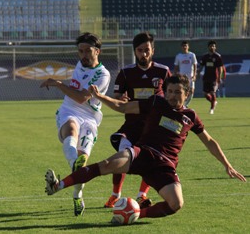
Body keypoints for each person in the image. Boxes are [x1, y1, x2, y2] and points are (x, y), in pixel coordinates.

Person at [45, 74, 246, 222]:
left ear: (188, 93)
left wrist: (227, 165)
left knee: (176, 204)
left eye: (177, 92)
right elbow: (123, 107)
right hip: (142, 153)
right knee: (106, 164)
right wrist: (102, 97)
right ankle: (58, 186)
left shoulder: (191, 117)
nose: (172, 96)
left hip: (165, 166)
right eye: (169, 91)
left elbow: (209, 141)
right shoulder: (156, 102)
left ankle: (136, 213)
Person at [40, 32, 111, 216]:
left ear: (98, 51)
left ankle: (77, 194)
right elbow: (75, 99)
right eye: (80, 51)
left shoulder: (102, 75)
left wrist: (57, 84)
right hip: (68, 111)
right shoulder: (80, 64)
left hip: (90, 117)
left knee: (83, 159)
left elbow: (81, 98)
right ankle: (73, 167)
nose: (83, 55)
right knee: (71, 131)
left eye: (88, 51)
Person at [104, 31, 171, 209]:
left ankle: (142, 195)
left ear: (153, 50)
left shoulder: (163, 71)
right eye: (140, 50)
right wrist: (121, 99)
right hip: (132, 124)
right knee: (121, 157)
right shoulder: (126, 73)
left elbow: (172, 94)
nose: (144, 54)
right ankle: (115, 196)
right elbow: (117, 96)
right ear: (135, 51)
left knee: (150, 161)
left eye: (147, 50)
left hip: (154, 126)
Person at [198, 40, 223, 114]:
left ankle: (212, 109)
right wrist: (198, 73)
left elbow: (220, 68)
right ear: (208, 47)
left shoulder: (217, 56)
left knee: (212, 93)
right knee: (206, 95)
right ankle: (214, 102)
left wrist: (219, 77)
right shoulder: (205, 56)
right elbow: (201, 66)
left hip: (214, 78)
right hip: (206, 77)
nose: (212, 47)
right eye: (211, 46)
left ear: (215, 47)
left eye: (214, 46)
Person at [174, 40, 197, 107]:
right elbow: (176, 67)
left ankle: (185, 105)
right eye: (183, 46)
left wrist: (195, 74)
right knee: (182, 91)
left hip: (191, 76)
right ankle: (183, 105)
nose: (184, 47)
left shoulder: (192, 55)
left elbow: (195, 65)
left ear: (188, 46)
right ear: (181, 47)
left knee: (191, 91)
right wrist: (175, 75)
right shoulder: (179, 56)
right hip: (182, 78)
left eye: (186, 45)